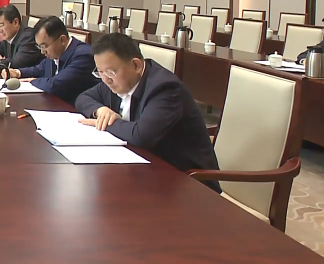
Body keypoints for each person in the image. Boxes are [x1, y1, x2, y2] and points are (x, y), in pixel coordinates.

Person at [76, 33, 221, 192]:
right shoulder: (118, 80)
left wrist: (106, 123)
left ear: (136, 65)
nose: (105, 80)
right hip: (148, 171)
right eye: (100, 72)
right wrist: (100, 110)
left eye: (110, 72)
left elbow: (141, 136)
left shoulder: (165, 89)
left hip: (188, 183)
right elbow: (83, 98)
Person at [11, 16, 100, 104]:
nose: (42, 52)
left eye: (44, 46)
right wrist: (18, 73)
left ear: (62, 40)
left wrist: (32, 81)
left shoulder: (83, 55)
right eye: (39, 46)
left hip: (76, 109)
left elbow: (56, 85)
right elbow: (40, 69)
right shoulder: (56, 52)